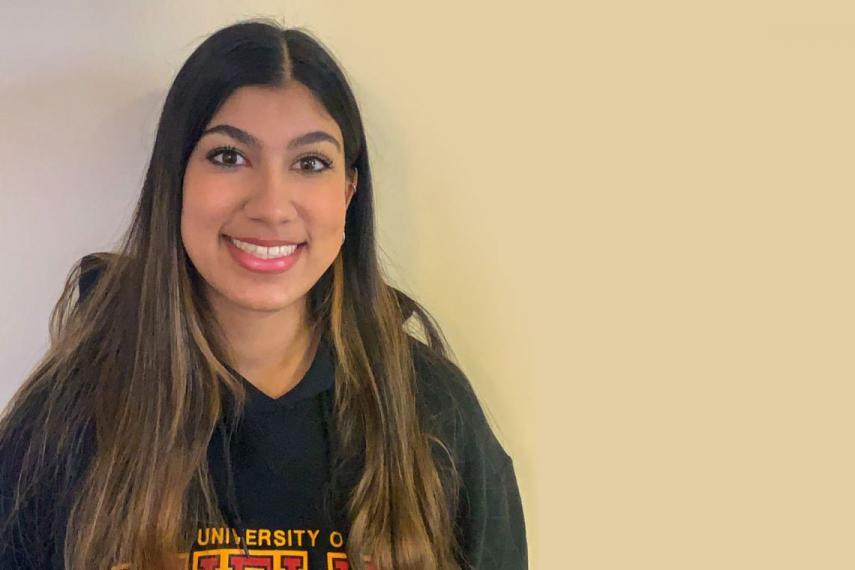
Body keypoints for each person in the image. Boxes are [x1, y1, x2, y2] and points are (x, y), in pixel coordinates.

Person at [0, 18, 527, 570]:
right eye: (229, 156)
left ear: (348, 193)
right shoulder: (66, 418)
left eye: (310, 163)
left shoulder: (431, 410)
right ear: (174, 179)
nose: (272, 206)